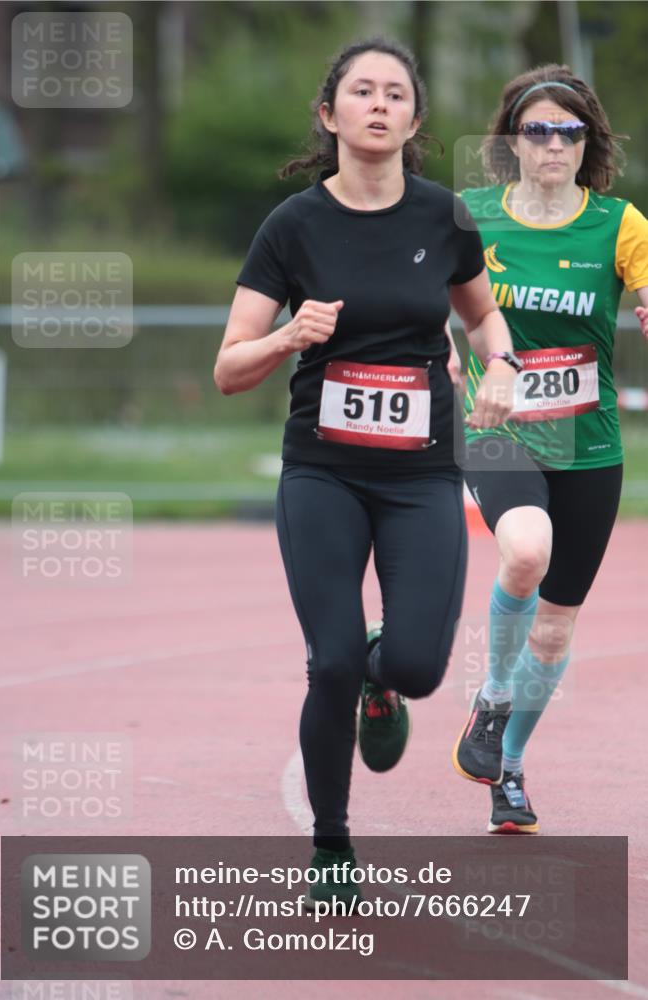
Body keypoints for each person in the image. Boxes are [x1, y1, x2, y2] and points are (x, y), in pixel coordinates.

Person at [215, 37, 517, 905]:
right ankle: (331, 847)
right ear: (329, 114)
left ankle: (386, 682)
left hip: (420, 474)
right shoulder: (292, 226)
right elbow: (228, 367)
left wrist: (500, 365)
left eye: (394, 93)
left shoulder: (443, 218)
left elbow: (481, 319)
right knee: (332, 660)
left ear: (414, 121)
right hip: (324, 473)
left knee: (415, 666)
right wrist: (287, 336)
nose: (378, 104)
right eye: (361, 91)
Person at [452, 64, 648, 834]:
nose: (553, 145)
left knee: (556, 624)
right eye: (537, 130)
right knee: (525, 551)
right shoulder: (470, 218)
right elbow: (424, 295)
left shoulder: (618, 224)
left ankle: (507, 765)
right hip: (497, 429)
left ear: (587, 141)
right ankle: (493, 695)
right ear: (512, 141)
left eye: (569, 131)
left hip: (587, 443)